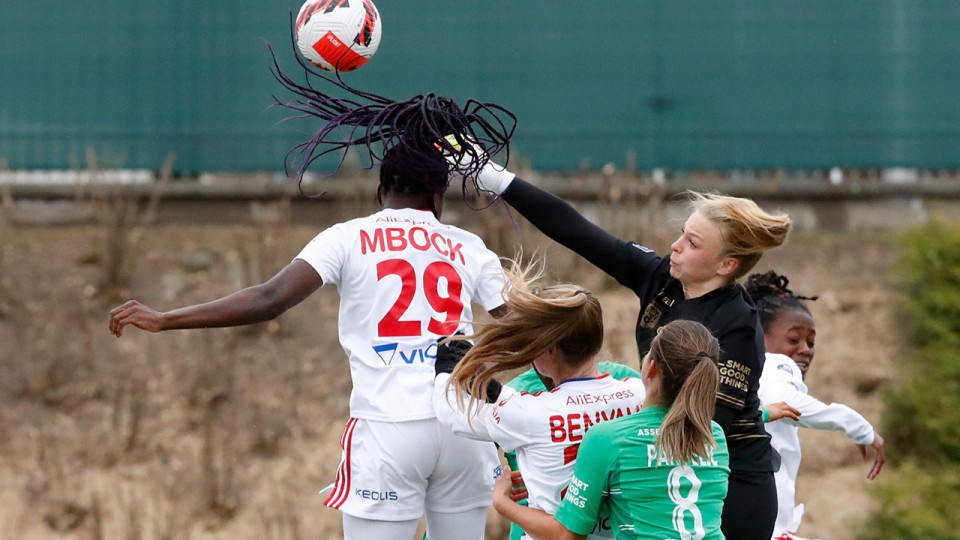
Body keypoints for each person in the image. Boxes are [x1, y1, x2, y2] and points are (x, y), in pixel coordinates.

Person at [108, 47, 521, 540]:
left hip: (389, 430)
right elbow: (520, 324)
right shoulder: (467, 245)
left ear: (379, 192)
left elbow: (270, 300)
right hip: (463, 424)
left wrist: (167, 318)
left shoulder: (347, 237)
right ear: (438, 197)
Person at [450, 146, 791, 539]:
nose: (676, 245)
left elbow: (699, 425)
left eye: (693, 243)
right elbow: (576, 230)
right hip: (660, 468)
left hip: (727, 488)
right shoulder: (663, 278)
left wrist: (585, 425)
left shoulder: (738, 329)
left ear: (726, 266)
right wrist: (492, 176)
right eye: (682, 233)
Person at [431, 261, 646, 540]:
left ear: (551, 350)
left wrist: (446, 372)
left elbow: (453, 416)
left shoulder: (527, 413)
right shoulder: (637, 392)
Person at [492, 319, 730, 539]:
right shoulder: (715, 435)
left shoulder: (608, 438)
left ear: (651, 368)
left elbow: (567, 535)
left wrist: (503, 503)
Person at [746, 271, 886, 540]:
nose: (806, 349)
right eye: (793, 339)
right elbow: (787, 402)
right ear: (759, 336)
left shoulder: (749, 374)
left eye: (810, 342)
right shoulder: (774, 365)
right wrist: (858, 426)